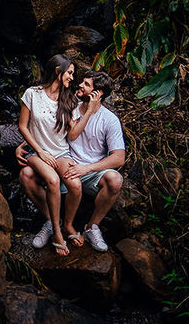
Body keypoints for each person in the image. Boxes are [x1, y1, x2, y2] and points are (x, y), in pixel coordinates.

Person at [18, 68, 125, 252]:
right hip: (63, 164)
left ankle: (92, 227)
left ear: (97, 94)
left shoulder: (109, 120)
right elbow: (47, 128)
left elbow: (119, 158)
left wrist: (88, 168)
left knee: (115, 180)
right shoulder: (69, 106)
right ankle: (52, 221)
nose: (80, 85)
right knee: (26, 174)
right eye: (82, 82)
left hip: (90, 172)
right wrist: (24, 143)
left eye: (86, 84)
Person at [16, 54, 77, 256]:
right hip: (36, 151)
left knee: (75, 184)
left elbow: (73, 134)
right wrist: (40, 151)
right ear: (58, 72)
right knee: (52, 179)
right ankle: (57, 232)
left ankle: (62, 223)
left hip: (61, 152)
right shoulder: (32, 93)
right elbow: (23, 126)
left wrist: (91, 110)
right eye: (70, 73)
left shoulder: (69, 99)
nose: (72, 78)